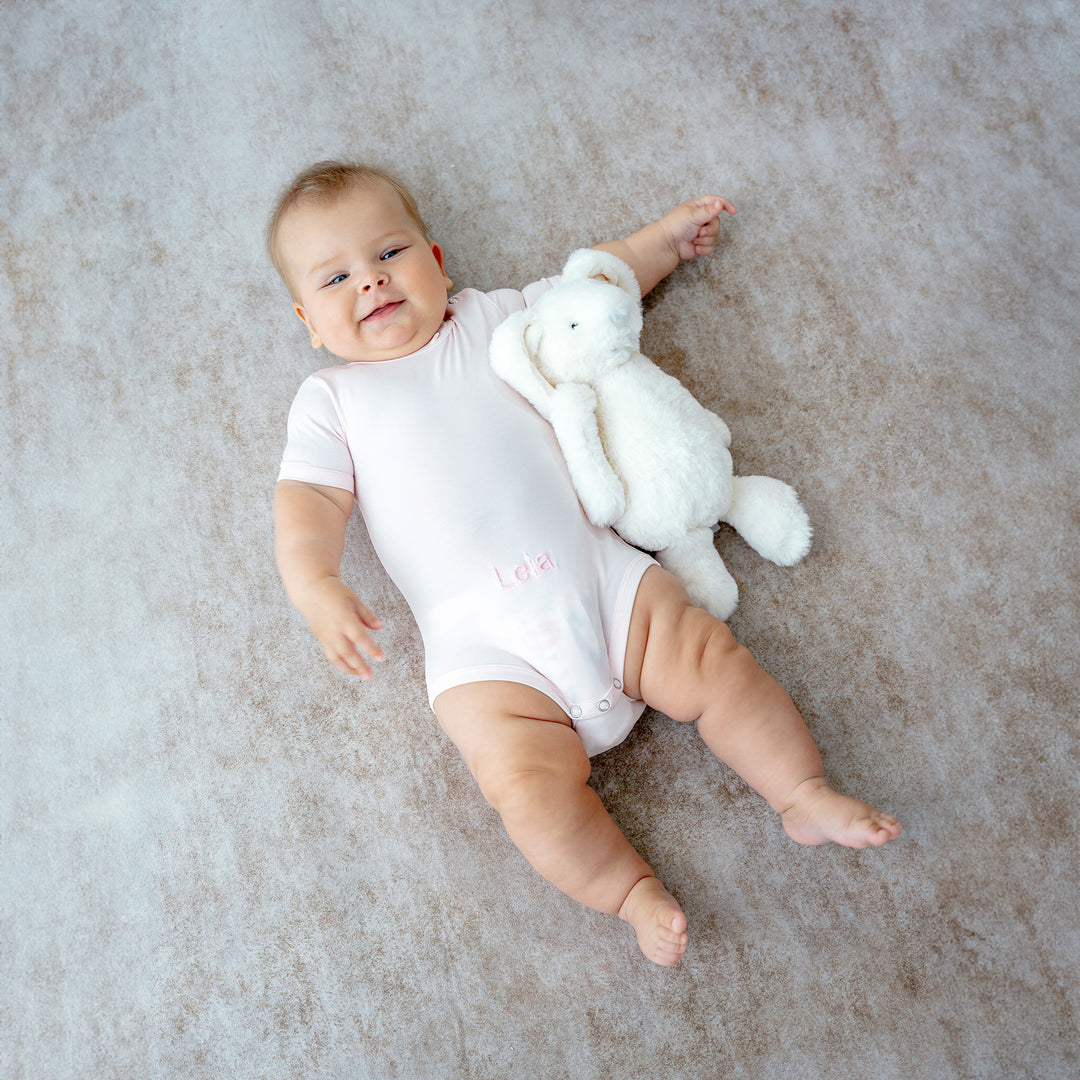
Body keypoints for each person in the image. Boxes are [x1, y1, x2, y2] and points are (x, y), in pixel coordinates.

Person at [269, 161, 901, 967]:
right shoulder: (333, 402)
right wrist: (315, 585)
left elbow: (591, 289)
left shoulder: (495, 321)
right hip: (488, 659)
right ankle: (629, 892)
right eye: (337, 277)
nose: (372, 282)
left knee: (714, 662)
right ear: (310, 322)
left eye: (389, 253)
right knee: (525, 792)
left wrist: (663, 243)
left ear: (436, 260)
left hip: (604, 585)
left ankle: (802, 791)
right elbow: (307, 507)